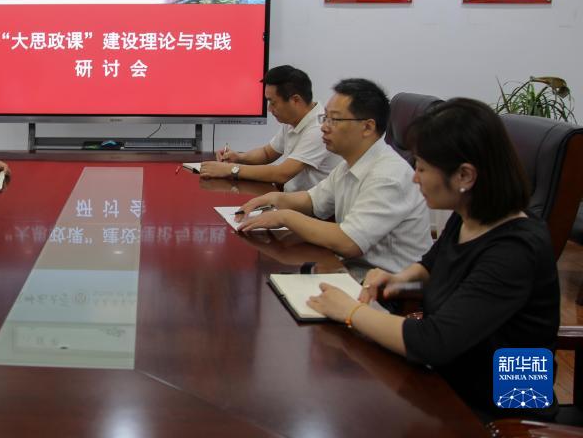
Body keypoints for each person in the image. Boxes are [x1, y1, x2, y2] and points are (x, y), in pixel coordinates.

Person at [306, 98, 559, 419]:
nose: (415, 178)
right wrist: (399, 278)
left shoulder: (514, 251)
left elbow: (434, 342)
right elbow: (432, 264)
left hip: (503, 405)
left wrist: (350, 311)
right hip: (451, 376)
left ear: (464, 176)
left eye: (422, 168)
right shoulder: (471, 214)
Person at [238, 78, 431, 274]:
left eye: (334, 120)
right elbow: (313, 201)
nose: (324, 127)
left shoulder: (388, 176)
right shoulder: (350, 164)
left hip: (386, 285)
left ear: (367, 127)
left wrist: (285, 217)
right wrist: (274, 199)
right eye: (325, 118)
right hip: (351, 270)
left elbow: (349, 242)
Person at [200, 65, 338, 191]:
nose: (269, 109)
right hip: (291, 198)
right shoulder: (293, 120)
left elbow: (282, 174)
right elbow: (267, 153)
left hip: (311, 207)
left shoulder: (319, 128)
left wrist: (230, 170)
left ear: (295, 100)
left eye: (273, 102)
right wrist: (239, 157)